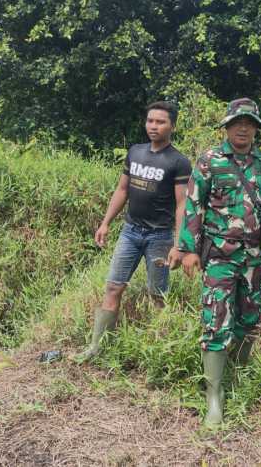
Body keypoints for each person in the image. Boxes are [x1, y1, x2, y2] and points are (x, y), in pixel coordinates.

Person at [178, 97, 261, 427]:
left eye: (249, 124)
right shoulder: (209, 161)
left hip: (255, 258)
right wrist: (189, 249)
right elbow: (194, 206)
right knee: (215, 320)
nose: (242, 128)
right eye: (236, 123)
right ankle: (215, 396)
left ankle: (238, 372)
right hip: (219, 258)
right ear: (226, 127)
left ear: (256, 129)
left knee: (252, 317)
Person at [71, 101, 192, 363]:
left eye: (160, 122)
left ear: (172, 125)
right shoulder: (135, 152)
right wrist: (105, 223)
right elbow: (122, 190)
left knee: (157, 294)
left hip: (159, 237)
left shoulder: (179, 162)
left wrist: (179, 244)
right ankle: (97, 348)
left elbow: (183, 204)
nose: (154, 126)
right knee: (113, 287)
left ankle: (160, 352)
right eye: (150, 121)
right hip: (130, 233)